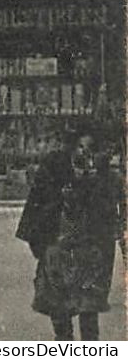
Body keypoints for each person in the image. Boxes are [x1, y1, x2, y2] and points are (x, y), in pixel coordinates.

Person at [17, 129, 124, 341]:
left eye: (90, 149)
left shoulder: (104, 178)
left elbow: (111, 216)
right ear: (72, 148)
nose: (85, 153)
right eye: (81, 147)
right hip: (59, 251)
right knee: (60, 311)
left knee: (88, 312)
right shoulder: (55, 170)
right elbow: (39, 207)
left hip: (89, 254)